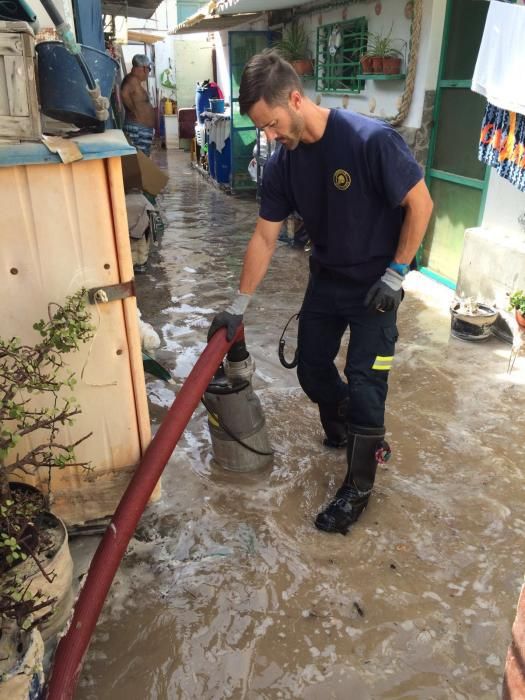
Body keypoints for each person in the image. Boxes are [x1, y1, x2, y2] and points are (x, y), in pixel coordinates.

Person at [208, 51, 434, 536]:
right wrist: (238, 304)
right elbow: (265, 237)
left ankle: (358, 486)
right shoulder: (283, 166)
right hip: (327, 278)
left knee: (367, 381)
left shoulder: (369, 140)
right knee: (311, 368)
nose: (269, 137)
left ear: (294, 98)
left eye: (270, 124)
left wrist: (397, 274)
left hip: (377, 286)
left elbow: (421, 203)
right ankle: (344, 423)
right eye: (263, 129)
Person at [121, 54, 156, 156]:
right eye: (149, 69)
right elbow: (124, 94)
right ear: (144, 68)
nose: (148, 73)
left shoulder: (134, 81)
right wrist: (133, 111)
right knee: (140, 161)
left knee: (142, 161)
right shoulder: (131, 80)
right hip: (137, 129)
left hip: (141, 129)